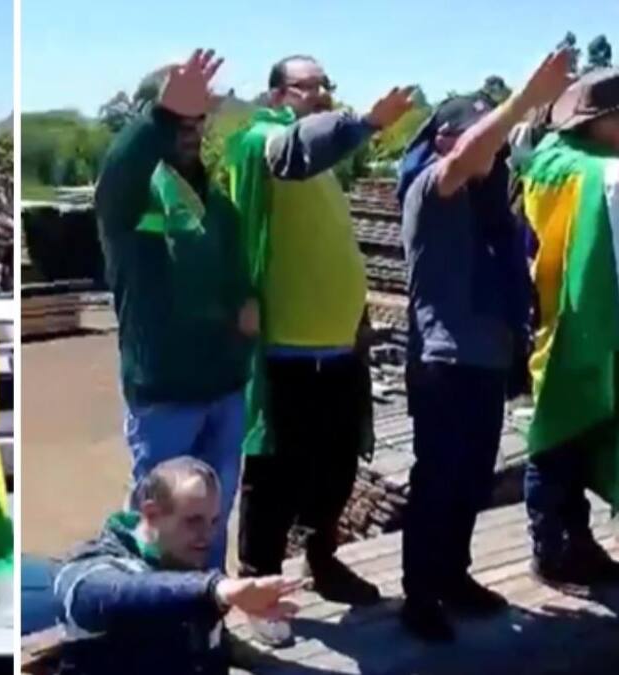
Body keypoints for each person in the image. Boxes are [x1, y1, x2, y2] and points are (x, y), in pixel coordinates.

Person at [226, 53, 415, 645]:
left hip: (338, 347)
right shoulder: (260, 141)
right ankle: (258, 586)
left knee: (336, 465)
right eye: (309, 86)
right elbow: (294, 149)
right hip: (287, 348)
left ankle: (322, 557)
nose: (322, 93)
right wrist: (367, 122)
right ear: (277, 94)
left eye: (326, 85)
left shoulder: (325, 161)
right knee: (274, 474)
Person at [395, 50, 573, 642]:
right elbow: (469, 155)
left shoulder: (489, 207)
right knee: (437, 482)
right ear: (444, 139)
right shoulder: (432, 187)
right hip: (443, 363)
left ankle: (454, 576)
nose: (491, 152)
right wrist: (521, 101)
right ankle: (420, 595)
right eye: (475, 135)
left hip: (485, 362)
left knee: (471, 482)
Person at [94, 49, 256, 570]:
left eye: (197, 118)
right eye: (177, 119)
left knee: (211, 520)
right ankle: (147, 611)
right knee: (159, 528)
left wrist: (246, 304)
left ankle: (205, 609)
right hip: (166, 397)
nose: (191, 129)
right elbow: (119, 171)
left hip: (224, 389)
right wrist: (162, 115)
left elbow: (233, 274)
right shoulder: (131, 197)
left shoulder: (218, 203)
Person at [53, 457, 304, 675]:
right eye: (193, 521)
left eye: (214, 521)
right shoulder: (88, 569)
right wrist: (216, 591)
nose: (208, 535)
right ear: (151, 514)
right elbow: (111, 594)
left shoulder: (184, 559)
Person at [518, 66, 619, 594]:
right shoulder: (582, 169)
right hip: (566, 328)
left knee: (575, 443)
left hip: (575, 324)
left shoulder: (557, 160)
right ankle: (551, 552)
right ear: (596, 120)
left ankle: (577, 544)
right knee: (556, 445)